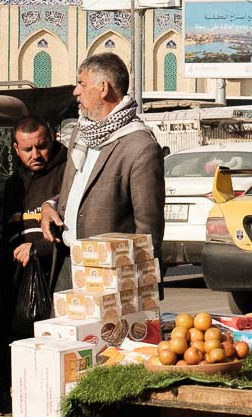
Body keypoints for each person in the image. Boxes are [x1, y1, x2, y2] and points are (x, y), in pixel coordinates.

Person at [39, 53, 165, 281]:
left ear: (103, 88)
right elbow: (81, 190)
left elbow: (148, 228)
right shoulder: (81, 133)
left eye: (82, 83)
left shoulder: (139, 147)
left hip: (110, 273)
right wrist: (52, 205)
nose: (76, 91)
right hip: (67, 262)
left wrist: (139, 284)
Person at [0, 117, 68, 333]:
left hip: (54, 282)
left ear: (52, 141)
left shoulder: (67, 174)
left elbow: (73, 230)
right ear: (16, 149)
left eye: (41, 146)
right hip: (17, 286)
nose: (35, 155)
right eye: (28, 149)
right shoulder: (14, 184)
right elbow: (4, 237)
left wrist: (38, 248)